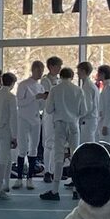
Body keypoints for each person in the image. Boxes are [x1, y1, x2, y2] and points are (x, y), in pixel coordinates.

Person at [40, 68, 85, 202]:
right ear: (72, 76)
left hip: (59, 124)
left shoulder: (55, 89)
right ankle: (77, 190)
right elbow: (84, 110)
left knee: (58, 156)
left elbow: (48, 109)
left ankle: (55, 190)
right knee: (75, 156)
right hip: (73, 124)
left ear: (61, 75)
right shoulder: (78, 90)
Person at [14, 60, 45, 190]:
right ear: (33, 70)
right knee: (22, 148)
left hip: (36, 120)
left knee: (34, 149)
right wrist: (35, 97)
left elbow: (41, 106)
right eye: (38, 71)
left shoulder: (41, 87)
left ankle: (30, 178)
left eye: (42, 71)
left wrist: (44, 99)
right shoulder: (23, 85)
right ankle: (19, 178)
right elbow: (19, 103)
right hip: (23, 119)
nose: (40, 73)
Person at [0, 72, 19, 200]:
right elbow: (13, 117)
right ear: (12, 83)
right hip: (5, 130)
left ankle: (6, 184)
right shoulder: (11, 97)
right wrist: (15, 136)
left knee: (6, 158)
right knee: (3, 159)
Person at [40, 57, 63, 183]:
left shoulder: (60, 80)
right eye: (58, 66)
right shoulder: (45, 80)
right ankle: (47, 171)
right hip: (49, 114)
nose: (59, 68)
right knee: (48, 142)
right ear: (51, 67)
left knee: (57, 143)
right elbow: (46, 95)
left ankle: (55, 170)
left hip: (59, 114)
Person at [77, 61, 99, 146]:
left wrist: (78, 116)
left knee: (86, 145)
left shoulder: (87, 87)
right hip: (92, 120)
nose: (77, 73)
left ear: (83, 71)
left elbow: (87, 107)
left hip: (87, 121)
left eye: (78, 71)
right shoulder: (91, 85)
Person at [96, 65, 110, 144]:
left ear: (103, 74)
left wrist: (105, 125)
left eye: (99, 73)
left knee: (106, 146)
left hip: (107, 122)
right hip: (103, 120)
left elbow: (109, 108)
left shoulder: (109, 88)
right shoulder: (105, 87)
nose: (97, 75)